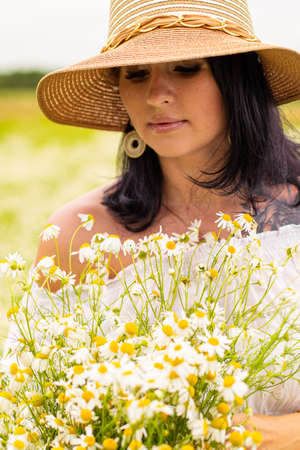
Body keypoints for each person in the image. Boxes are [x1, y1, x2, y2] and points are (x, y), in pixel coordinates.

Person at [33, 0, 300, 447]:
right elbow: (48, 412)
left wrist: (259, 435)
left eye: (186, 67)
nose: (157, 93)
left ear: (238, 78)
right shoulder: (76, 235)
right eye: (136, 73)